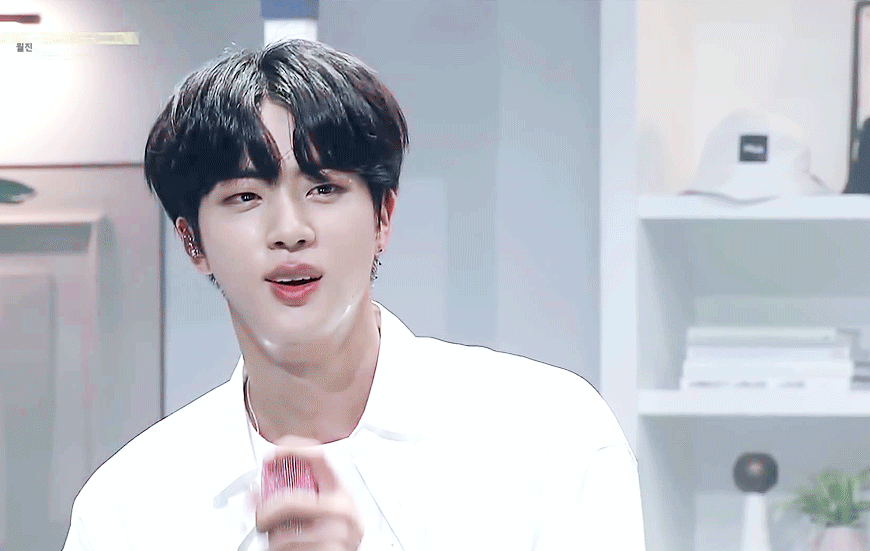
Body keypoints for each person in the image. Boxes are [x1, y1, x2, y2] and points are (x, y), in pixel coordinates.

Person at [62, 38, 645, 550]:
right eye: (245, 197)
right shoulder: (127, 509)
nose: (290, 230)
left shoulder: (549, 437)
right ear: (192, 240)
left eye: (323, 188)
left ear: (383, 216)